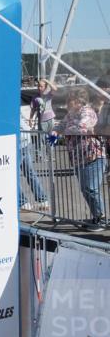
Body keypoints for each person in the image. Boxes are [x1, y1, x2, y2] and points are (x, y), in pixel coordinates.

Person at [54, 88, 106, 232]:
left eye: (69, 99)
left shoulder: (87, 111)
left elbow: (83, 127)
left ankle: (101, 219)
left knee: (91, 188)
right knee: (85, 189)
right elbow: (62, 124)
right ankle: (96, 216)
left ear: (77, 101)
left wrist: (65, 130)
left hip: (93, 156)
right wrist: (55, 130)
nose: (67, 102)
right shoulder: (71, 114)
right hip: (79, 158)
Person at [18, 100, 49, 212]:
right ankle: (42, 200)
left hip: (19, 141)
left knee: (14, 175)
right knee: (30, 172)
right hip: (26, 139)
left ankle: (23, 202)